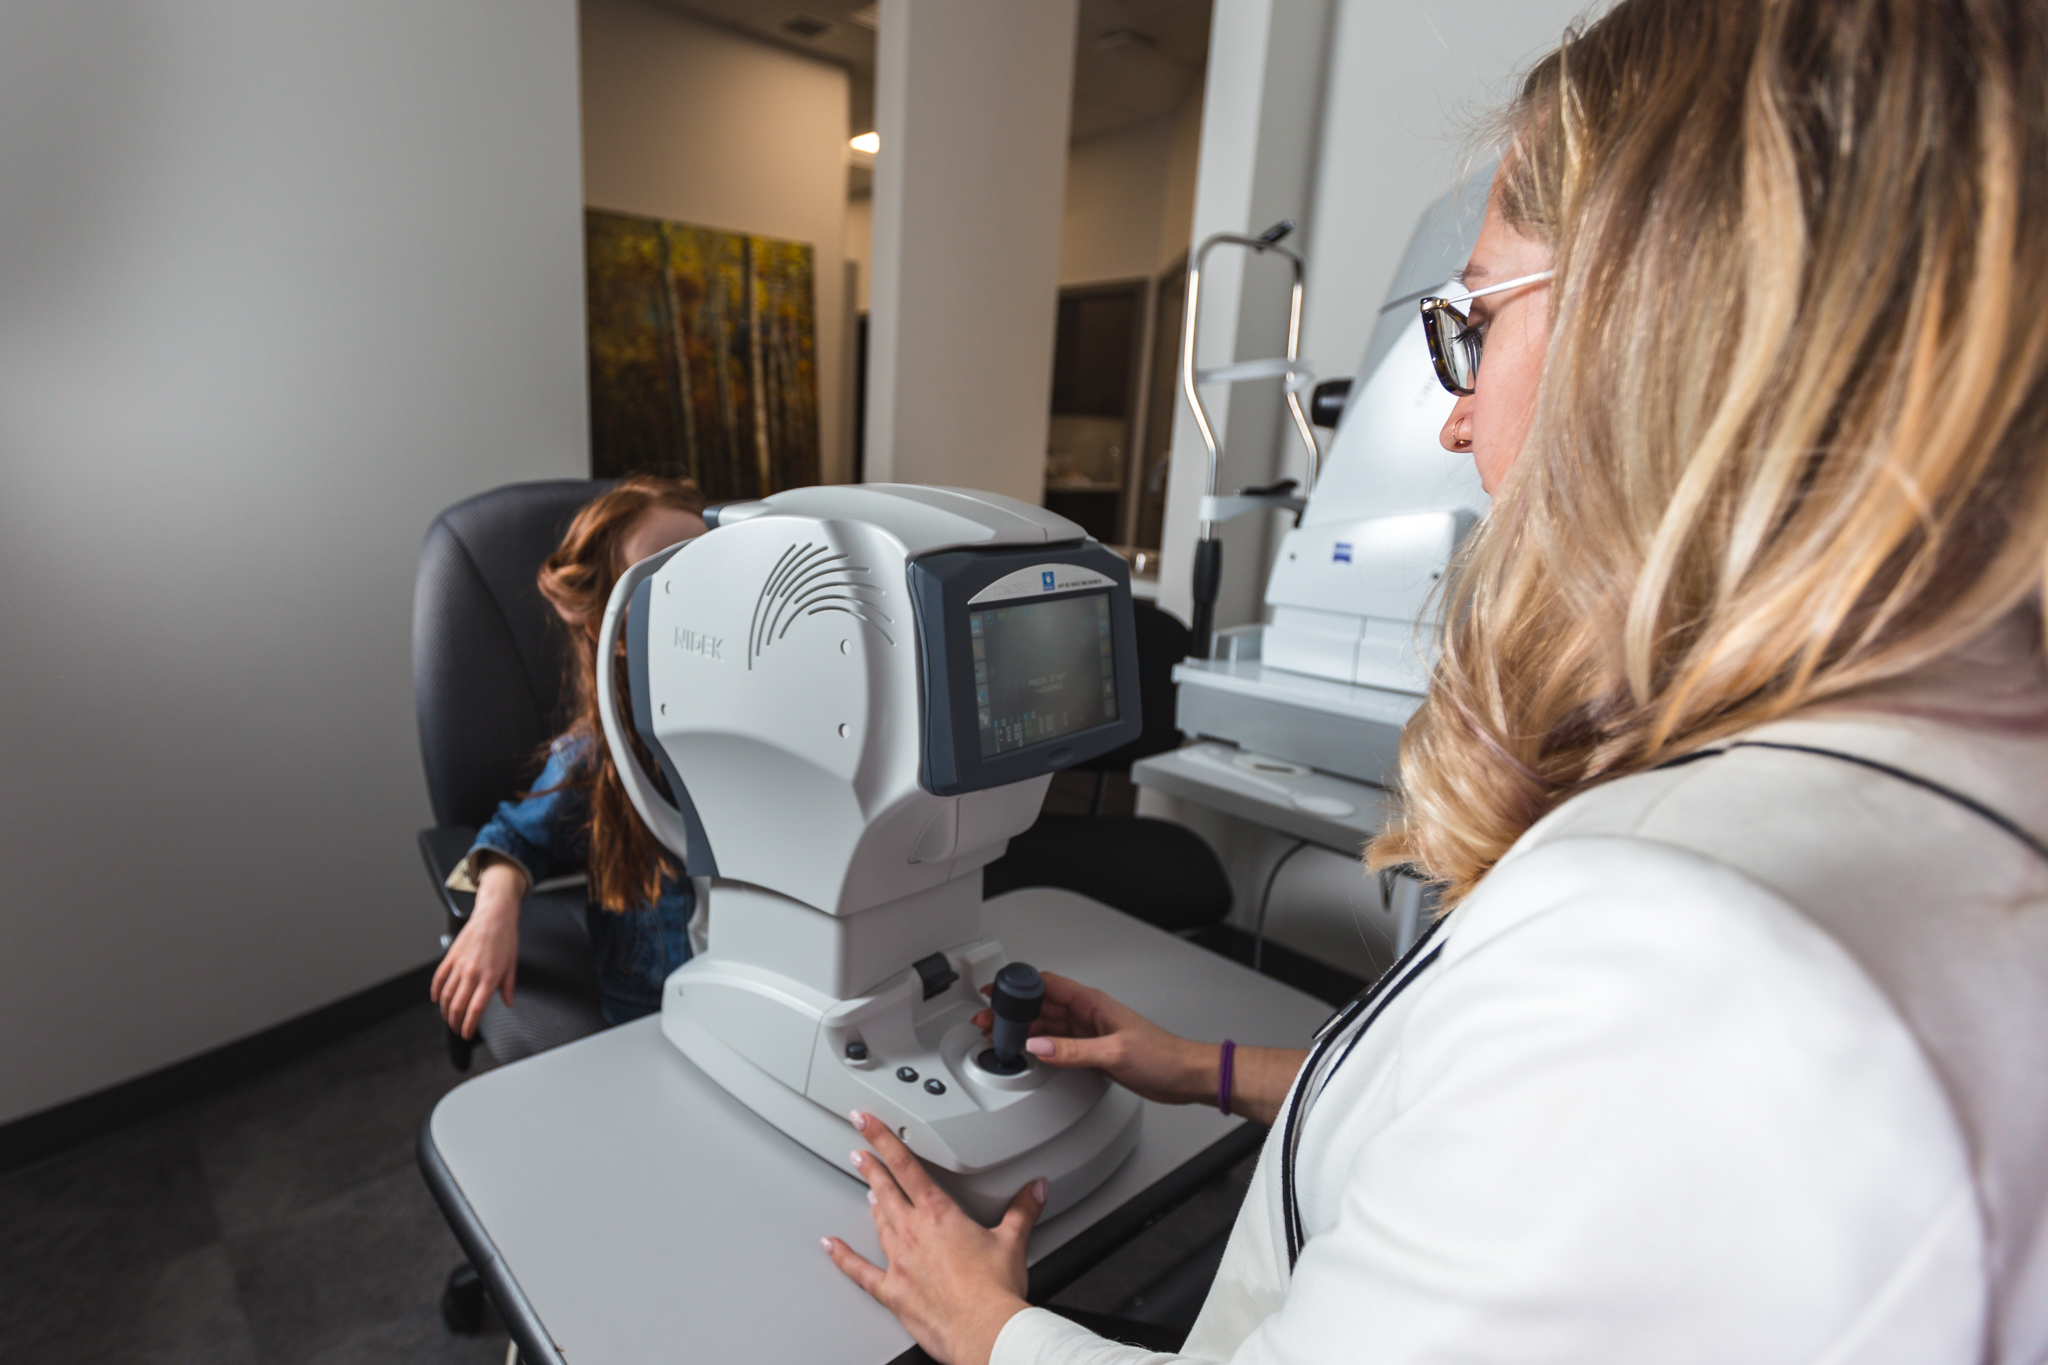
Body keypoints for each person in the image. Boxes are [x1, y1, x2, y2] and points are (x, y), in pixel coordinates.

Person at [822, 2, 2048, 1362]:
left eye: (1472, 324)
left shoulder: (1680, 960)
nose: (1454, 415)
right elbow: (1507, 1134)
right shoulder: (1881, 821)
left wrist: (990, 1329)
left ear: (1663, 323)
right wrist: (1208, 1069)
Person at [431, 475, 709, 1038]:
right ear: (613, 631)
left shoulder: (774, 734)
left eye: (708, 573)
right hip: (654, 1014)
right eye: (667, 583)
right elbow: (516, 837)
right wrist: (494, 910)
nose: (701, 603)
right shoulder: (601, 754)